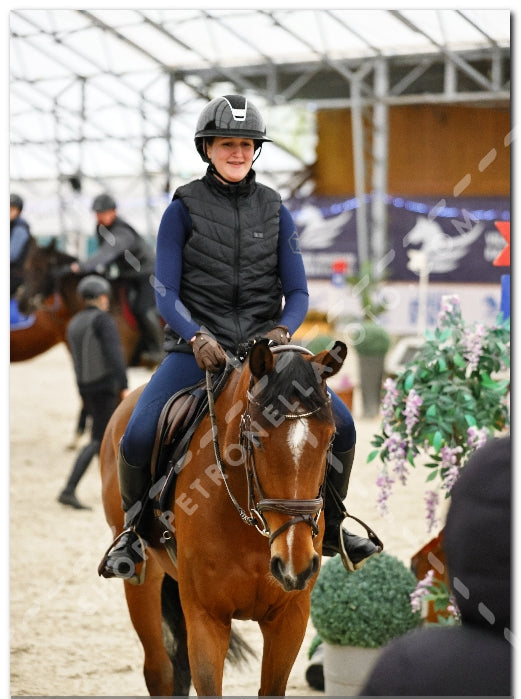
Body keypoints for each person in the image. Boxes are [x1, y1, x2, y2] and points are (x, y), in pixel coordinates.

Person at [97, 93, 381, 583]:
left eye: (247, 144)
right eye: (227, 143)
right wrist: (194, 335)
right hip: (195, 352)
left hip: (264, 356)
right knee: (139, 433)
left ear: (256, 151)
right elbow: (164, 291)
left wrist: (279, 331)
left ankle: (333, 524)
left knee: (345, 425)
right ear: (208, 148)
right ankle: (133, 534)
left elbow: (296, 292)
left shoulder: (276, 210)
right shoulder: (181, 209)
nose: (237, 151)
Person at [328, 435, 511, 699]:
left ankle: (330, 522)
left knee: (342, 425)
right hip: (221, 387)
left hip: (297, 385)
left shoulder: (410, 667)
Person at [58, 275, 129, 510]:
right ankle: (68, 489)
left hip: (85, 387)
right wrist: (124, 385)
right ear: (101, 297)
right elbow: (114, 355)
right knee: (99, 439)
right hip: (105, 387)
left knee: (103, 439)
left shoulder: (74, 322)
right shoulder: (103, 320)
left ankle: (114, 492)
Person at [79, 192, 164, 365]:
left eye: (102, 212)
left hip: (147, 274)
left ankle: (159, 350)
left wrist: (83, 266)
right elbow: (107, 255)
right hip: (127, 275)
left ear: (113, 212)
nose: (99, 217)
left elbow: (108, 253)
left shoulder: (122, 231)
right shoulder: (101, 229)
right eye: (97, 213)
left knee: (143, 309)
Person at [10, 192, 32, 298]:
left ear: (18, 211)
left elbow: (11, 255)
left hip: (15, 275)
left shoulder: (20, 229)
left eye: (12, 208)